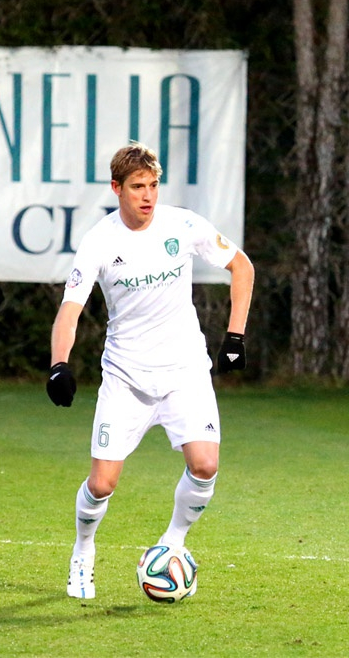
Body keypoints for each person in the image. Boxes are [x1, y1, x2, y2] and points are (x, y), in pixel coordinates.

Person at [46, 142, 254, 599]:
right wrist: (59, 365)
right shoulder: (100, 241)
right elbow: (69, 310)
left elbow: (242, 266)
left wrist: (235, 336)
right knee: (102, 484)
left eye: (154, 185)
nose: (148, 195)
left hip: (184, 372)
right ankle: (83, 550)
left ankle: (172, 543)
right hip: (127, 377)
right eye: (138, 186)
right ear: (116, 188)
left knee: (205, 465)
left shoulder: (182, 224)